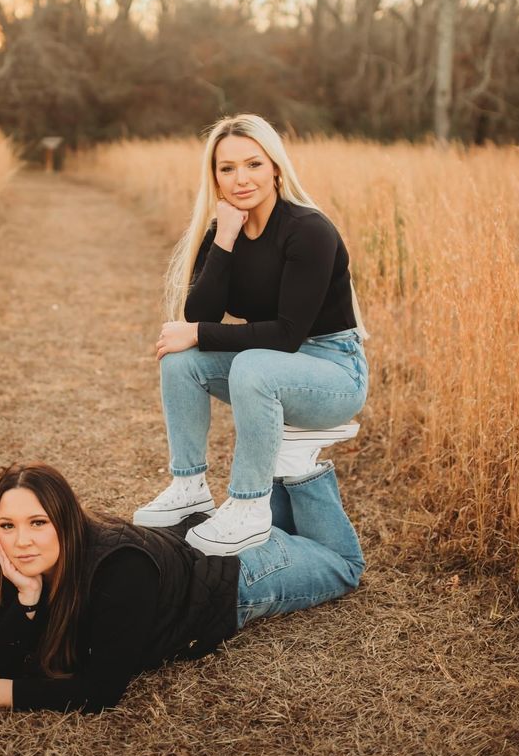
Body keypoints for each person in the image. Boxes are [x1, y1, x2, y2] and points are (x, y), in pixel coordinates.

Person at [0, 460, 364, 716]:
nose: (22, 540)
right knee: (283, 532)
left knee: (344, 566)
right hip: (187, 548)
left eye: (38, 523)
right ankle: (278, 492)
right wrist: (27, 601)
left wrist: (0, 693)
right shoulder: (16, 566)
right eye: (8, 526)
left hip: (235, 578)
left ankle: (301, 467)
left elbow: (101, 691)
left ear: (64, 523)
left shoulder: (119, 568)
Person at [133, 113, 369, 555]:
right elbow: (198, 313)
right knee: (181, 359)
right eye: (227, 168)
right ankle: (189, 486)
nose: (241, 178)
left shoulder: (309, 230)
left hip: (335, 373)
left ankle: (249, 506)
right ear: (215, 177)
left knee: (252, 365)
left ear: (276, 167)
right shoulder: (224, 230)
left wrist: (200, 332)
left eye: (254, 164)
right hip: (273, 365)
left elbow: (286, 335)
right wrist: (224, 238)